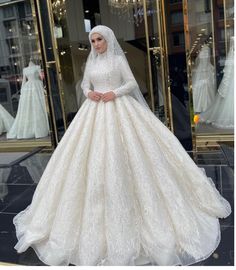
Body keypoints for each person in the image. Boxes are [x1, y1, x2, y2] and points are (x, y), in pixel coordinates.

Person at [13, 25, 231, 266]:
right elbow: (85, 84)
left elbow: (131, 84)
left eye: (99, 39)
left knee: (134, 157)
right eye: (93, 40)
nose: (96, 44)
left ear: (108, 39)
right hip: (93, 112)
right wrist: (89, 93)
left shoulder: (118, 60)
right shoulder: (92, 63)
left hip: (120, 108)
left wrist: (113, 93)